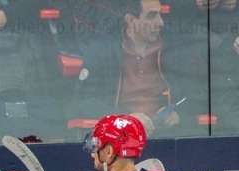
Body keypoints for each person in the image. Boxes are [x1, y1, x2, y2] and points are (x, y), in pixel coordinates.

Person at [71, 0, 197, 137]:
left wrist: (179, 114)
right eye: (152, 16)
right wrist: (126, 118)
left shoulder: (174, 47)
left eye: (160, 14)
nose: (161, 22)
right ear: (130, 20)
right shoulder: (102, 49)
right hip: (118, 137)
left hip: (168, 136)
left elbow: (197, 96)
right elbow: (82, 103)